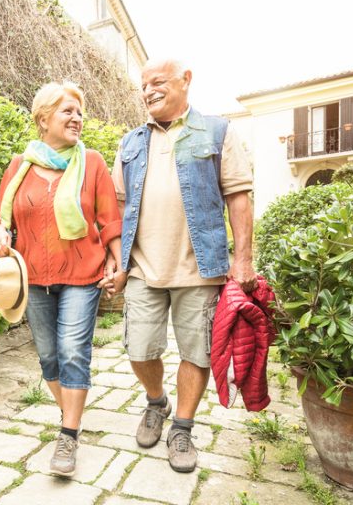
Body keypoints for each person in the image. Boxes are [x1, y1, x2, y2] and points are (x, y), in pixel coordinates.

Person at [103, 58, 255, 473]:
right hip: (142, 268)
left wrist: (243, 260)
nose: (148, 90)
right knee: (138, 349)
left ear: (185, 80)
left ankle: (182, 427)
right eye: (143, 85)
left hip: (200, 269)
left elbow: (238, 195)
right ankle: (157, 402)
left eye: (158, 82)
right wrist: (116, 261)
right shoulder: (130, 142)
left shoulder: (217, 132)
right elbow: (117, 206)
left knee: (197, 354)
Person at [0, 81, 122, 477]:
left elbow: (109, 219)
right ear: (44, 119)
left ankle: (68, 434)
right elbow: (0, 216)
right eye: (68, 111)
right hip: (32, 278)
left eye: (80, 112)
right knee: (48, 356)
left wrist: (118, 262)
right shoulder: (20, 165)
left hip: (82, 274)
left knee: (72, 351)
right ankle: (72, 413)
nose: (77, 118)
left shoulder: (91, 162)